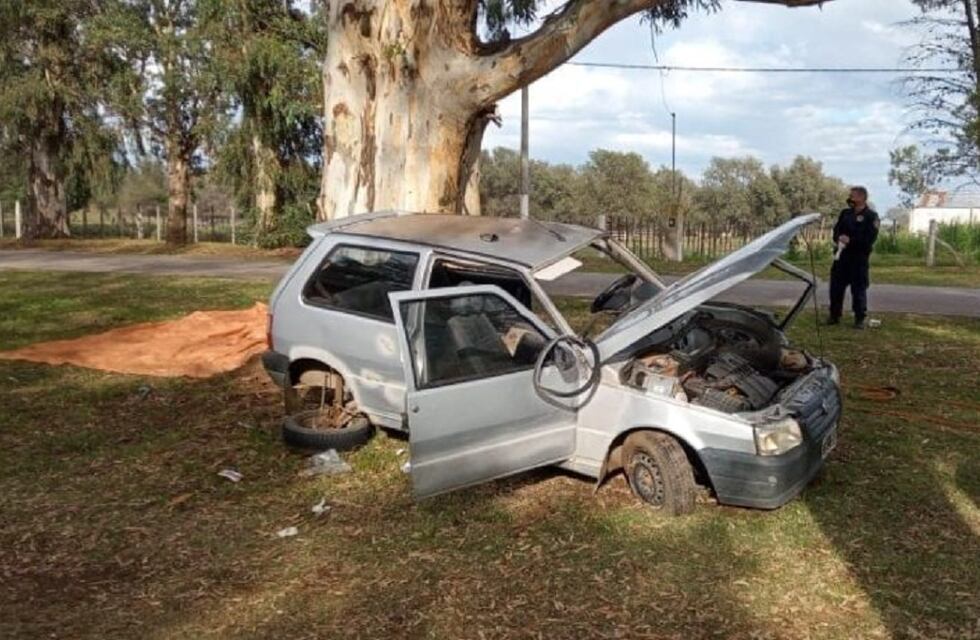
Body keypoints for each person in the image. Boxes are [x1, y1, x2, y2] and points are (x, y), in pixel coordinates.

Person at [828, 186, 880, 329]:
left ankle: (859, 318)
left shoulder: (871, 216)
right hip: (842, 257)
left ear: (861, 198)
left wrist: (851, 240)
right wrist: (840, 237)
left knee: (858, 290)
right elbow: (836, 230)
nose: (850, 198)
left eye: (853, 196)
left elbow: (870, 238)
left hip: (859, 259)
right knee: (836, 288)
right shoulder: (845, 213)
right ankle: (834, 315)